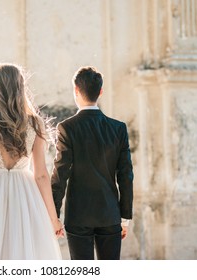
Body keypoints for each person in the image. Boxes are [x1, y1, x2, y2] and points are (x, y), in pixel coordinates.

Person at [0, 62, 64, 260]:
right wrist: (53, 219)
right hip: (26, 198)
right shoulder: (35, 122)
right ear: (20, 87)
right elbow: (41, 175)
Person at [51, 66, 134, 260]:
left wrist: (54, 214)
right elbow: (126, 175)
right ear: (101, 92)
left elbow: (60, 173)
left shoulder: (66, 128)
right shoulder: (118, 128)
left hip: (78, 215)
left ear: (76, 91)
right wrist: (125, 217)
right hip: (109, 213)